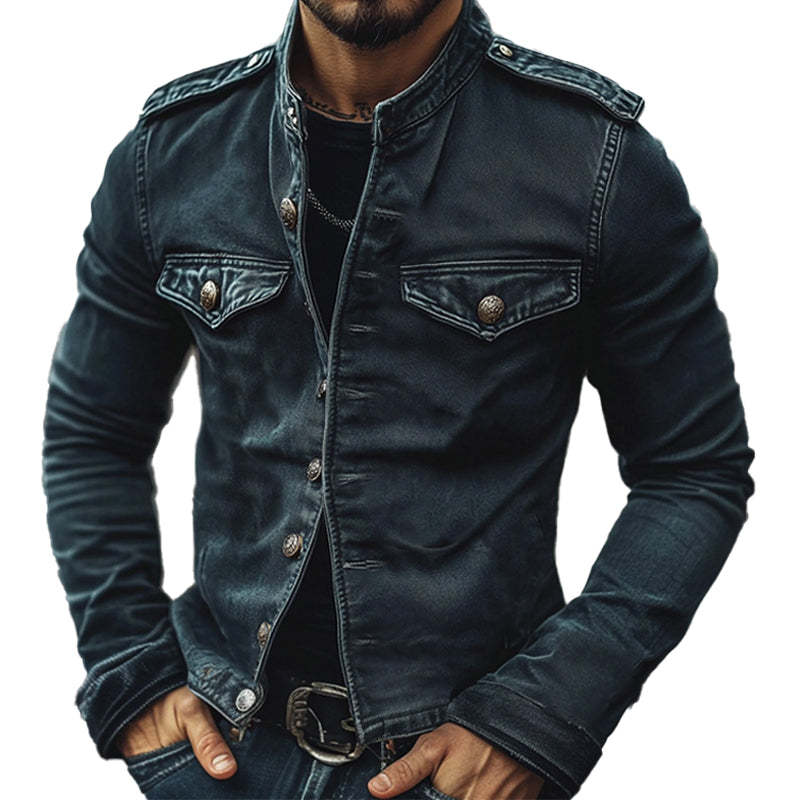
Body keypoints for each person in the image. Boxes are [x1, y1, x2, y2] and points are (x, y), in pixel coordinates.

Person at [40, 0, 756, 797]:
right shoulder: (170, 154)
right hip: (220, 754)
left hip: (458, 767)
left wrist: (544, 713)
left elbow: (693, 471)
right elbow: (92, 432)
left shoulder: (598, 162)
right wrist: (132, 672)